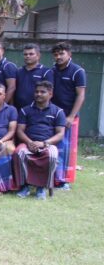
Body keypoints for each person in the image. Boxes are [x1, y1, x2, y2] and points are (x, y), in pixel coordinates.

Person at [14, 81, 67, 200]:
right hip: (28, 142)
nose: (38, 94)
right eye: (37, 92)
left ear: (50, 94)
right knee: (19, 153)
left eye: (42, 92)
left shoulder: (58, 111)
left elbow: (60, 134)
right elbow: (20, 131)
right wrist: (29, 142)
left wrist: (44, 143)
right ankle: (25, 187)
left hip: (47, 143)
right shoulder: (25, 110)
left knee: (52, 155)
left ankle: (41, 188)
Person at [51, 41, 86, 189]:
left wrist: (71, 116)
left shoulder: (77, 71)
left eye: (61, 54)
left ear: (69, 54)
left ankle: (64, 181)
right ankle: (52, 178)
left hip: (68, 117)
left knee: (66, 148)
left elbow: (81, 95)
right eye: (56, 54)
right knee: (53, 147)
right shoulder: (52, 70)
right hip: (53, 116)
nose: (58, 57)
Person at [14, 43, 53, 110]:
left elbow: (49, 93)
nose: (28, 56)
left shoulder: (46, 72)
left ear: (38, 55)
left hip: (36, 110)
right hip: (19, 110)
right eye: (25, 54)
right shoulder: (18, 71)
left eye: (31, 54)